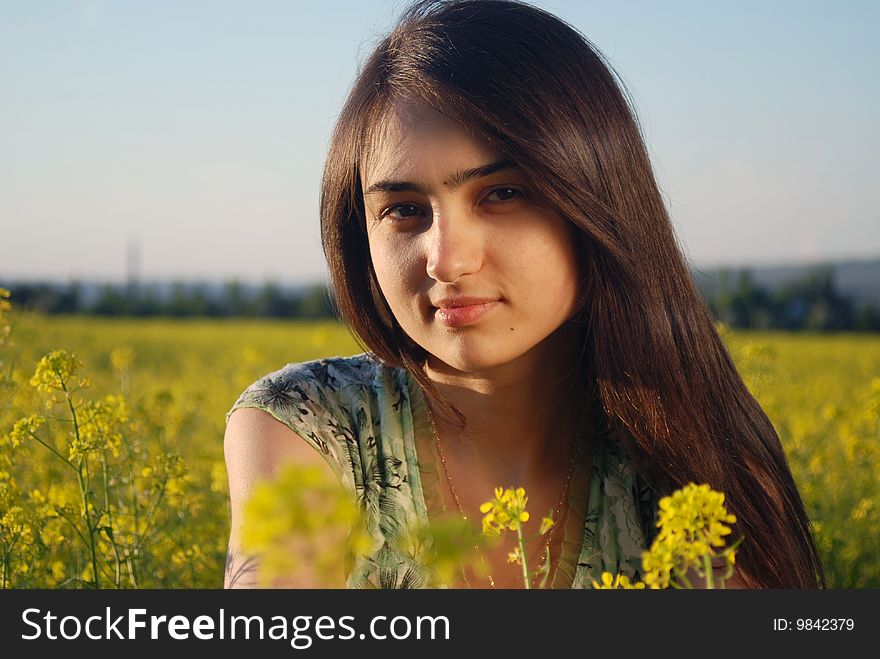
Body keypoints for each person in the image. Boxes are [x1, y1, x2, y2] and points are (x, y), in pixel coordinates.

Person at [224, 0, 825, 589]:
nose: (447, 258)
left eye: (503, 194)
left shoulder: (701, 454)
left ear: (595, 202)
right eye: (405, 210)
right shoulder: (308, 427)